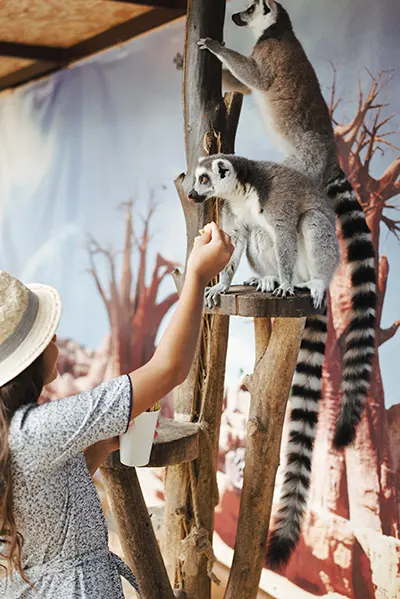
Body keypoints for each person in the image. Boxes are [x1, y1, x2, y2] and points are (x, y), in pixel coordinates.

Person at [0, 222, 233, 598]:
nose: (56, 339)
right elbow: (168, 370)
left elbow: (45, 503)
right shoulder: (40, 428)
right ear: (27, 363)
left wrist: (98, 447)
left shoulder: (12, 432)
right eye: (47, 336)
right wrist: (197, 276)